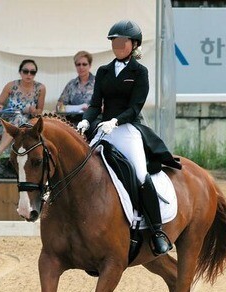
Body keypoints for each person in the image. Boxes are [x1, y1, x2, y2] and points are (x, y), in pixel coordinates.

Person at [77, 20, 181, 256]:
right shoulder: (103, 71)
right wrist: (86, 119)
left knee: (141, 175)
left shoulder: (139, 72)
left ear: (134, 45)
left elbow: (135, 107)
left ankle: (156, 231)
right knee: (82, 167)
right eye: (114, 41)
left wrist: (116, 121)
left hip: (127, 129)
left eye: (122, 41)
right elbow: (95, 104)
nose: (117, 45)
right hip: (103, 127)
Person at [0, 59, 46, 164]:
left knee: (20, 120)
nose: (29, 74)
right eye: (25, 71)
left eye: (32, 72)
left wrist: (34, 111)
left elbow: (40, 111)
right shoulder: (11, 86)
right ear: (20, 72)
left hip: (29, 122)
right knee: (17, 119)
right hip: (8, 120)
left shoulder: (40, 88)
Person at [56, 50, 95, 124]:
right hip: (73, 122)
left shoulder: (98, 83)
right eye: (78, 64)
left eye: (84, 64)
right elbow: (59, 106)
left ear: (90, 65)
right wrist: (76, 108)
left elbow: (105, 105)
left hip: (92, 121)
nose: (81, 67)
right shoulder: (71, 84)